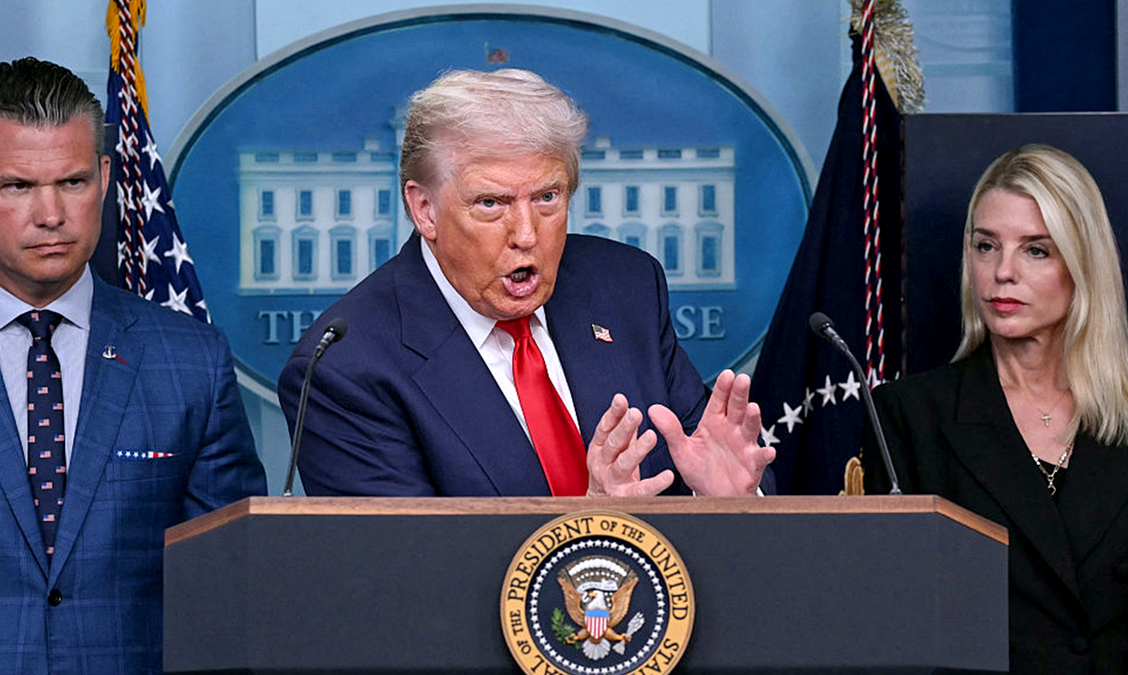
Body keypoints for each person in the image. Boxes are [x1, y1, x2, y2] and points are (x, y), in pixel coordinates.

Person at [280, 68, 775, 498]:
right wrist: (590, 522)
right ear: (424, 209)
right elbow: (404, 575)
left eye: (547, 198)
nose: (525, 235)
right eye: (491, 204)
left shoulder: (624, 287)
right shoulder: (346, 368)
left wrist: (730, 498)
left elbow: (707, 458)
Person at [0, 57, 267, 675]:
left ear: (106, 177)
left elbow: (232, 578)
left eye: (73, 182)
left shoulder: (190, 359)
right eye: (17, 187)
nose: (51, 214)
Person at [863, 144, 1128, 673]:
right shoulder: (908, 417)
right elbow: (886, 616)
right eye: (986, 246)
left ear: (1082, 264)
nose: (1003, 272)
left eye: (1036, 250)